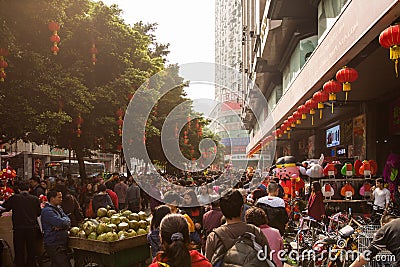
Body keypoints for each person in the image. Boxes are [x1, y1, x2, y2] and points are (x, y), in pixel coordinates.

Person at [205, 189, 271, 263]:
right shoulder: (255, 231)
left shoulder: (214, 236)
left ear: (221, 210)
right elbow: (267, 256)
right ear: (242, 208)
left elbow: (208, 262)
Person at [0, 181, 41, 267]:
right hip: (31, 228)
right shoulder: (35, 199)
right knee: (31, 250)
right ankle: (31, 264)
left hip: (18, 228)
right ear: (29, 189)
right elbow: (38, 213)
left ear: (18, 189)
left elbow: (4, 208)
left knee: (19, 250)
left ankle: (19, 264)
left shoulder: (14, 198)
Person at [41, 190, 72, 267]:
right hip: (54, 243)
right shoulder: (47, 211)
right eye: (59, 197)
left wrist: (63, 223)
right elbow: (62, 223)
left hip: (60, 242)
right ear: (52, 199)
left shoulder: (58, 208)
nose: (61, 199)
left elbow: (67, 220)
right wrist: (63, 223)